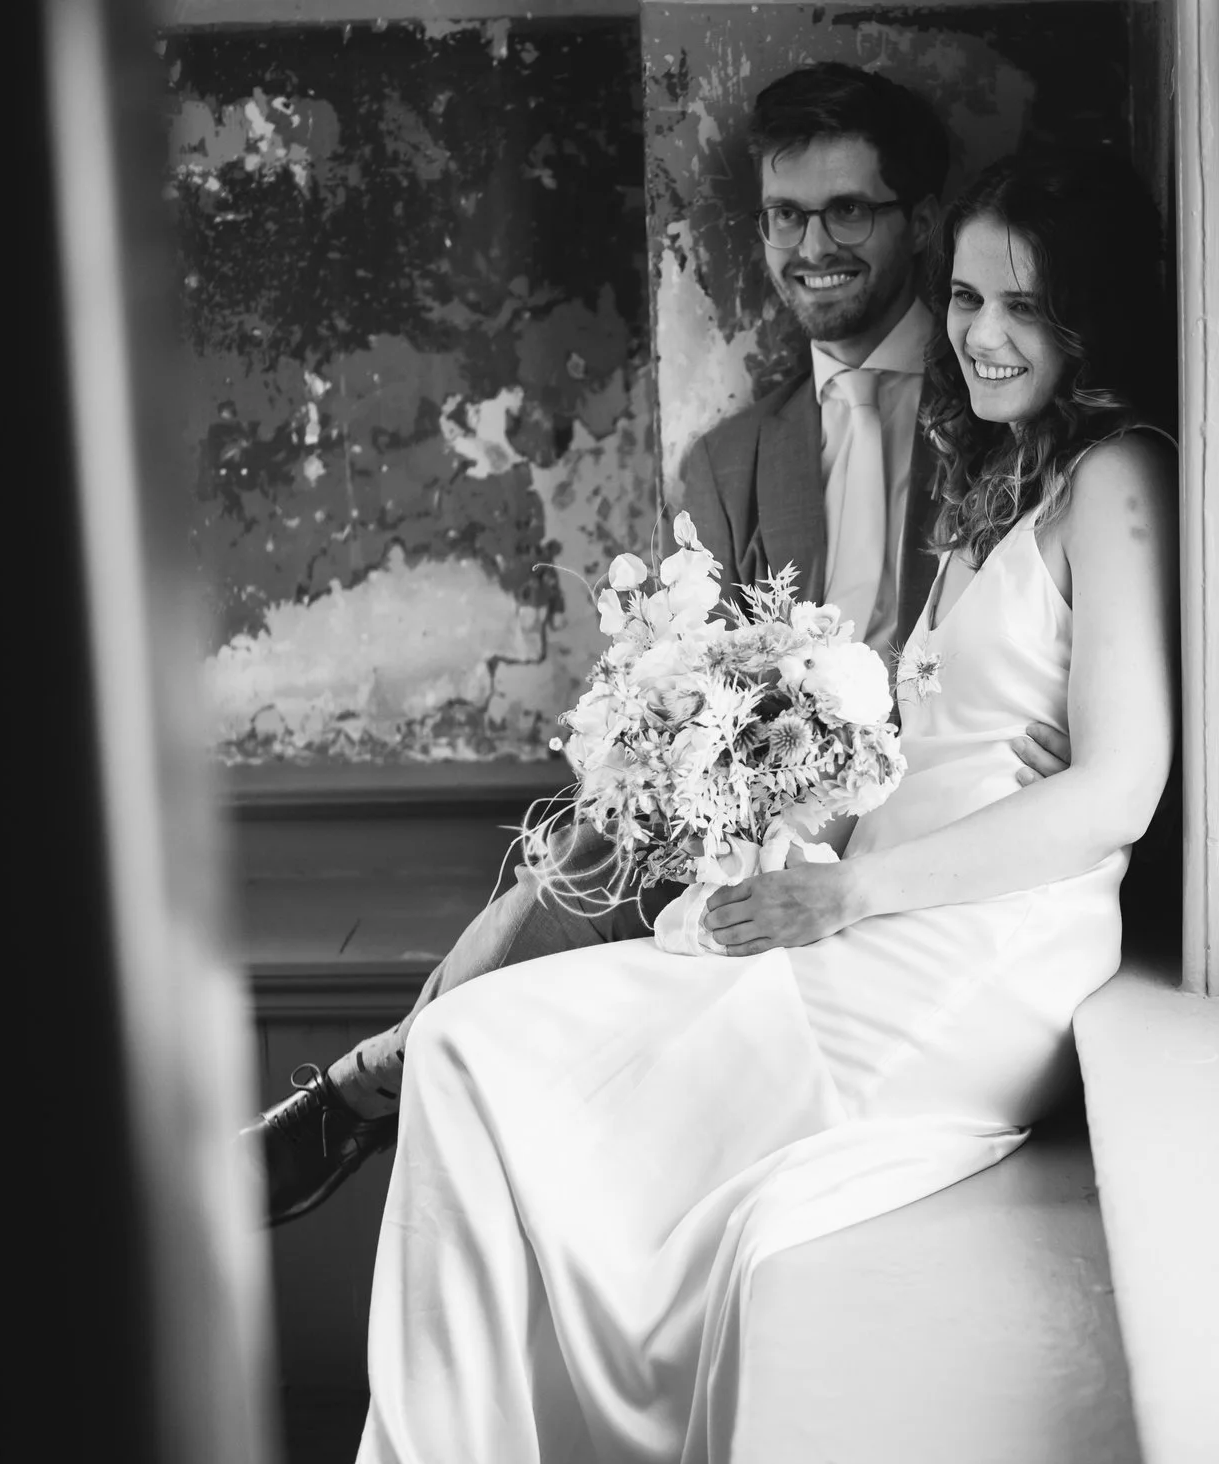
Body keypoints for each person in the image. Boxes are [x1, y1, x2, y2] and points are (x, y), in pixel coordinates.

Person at [262, 147, 1179, 1464]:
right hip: (880, 901)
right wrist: (788, 824)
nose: (983, 333)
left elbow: (1119, 790)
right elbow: (937, 750)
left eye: (1026, 303)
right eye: (966, 297)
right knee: (489, 1050)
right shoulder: (1004, 478)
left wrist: (853, 891)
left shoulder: (1120, 476)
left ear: (1093, 316)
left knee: (518, 1079)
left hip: (972, 953)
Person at [245, 63, 1078, 1226]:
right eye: (786, 215)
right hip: (765, 831)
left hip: (932, 831)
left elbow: (1033, 618)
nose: (811, 246)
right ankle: (393, 1067)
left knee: (568, 932)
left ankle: (371, 1080)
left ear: (919, 219)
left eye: (848, 209)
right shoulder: (732, 461)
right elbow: (696, 686)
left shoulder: (996, 395)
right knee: (597, 833)